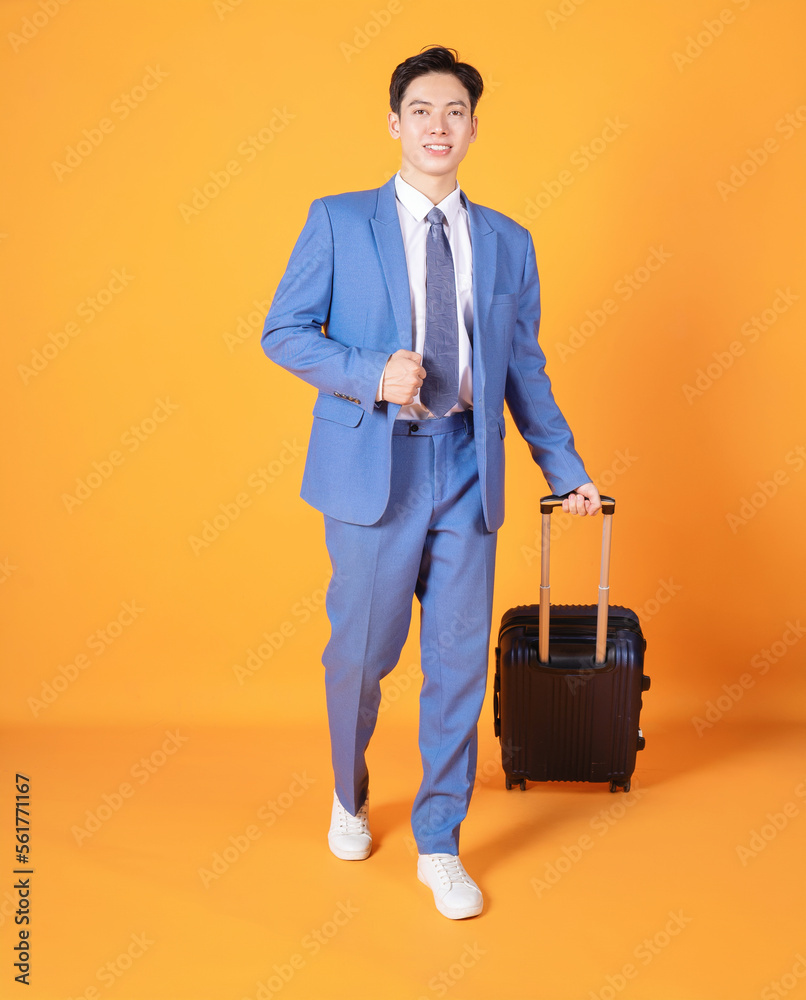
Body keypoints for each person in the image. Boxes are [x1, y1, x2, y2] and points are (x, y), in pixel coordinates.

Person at [261, 45, 601, 920]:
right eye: (422, 111)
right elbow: (284, 332)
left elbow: (525, 367)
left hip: (467, 468)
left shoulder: (509, 242)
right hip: (378, 467)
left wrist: (567, 473)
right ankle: (348, 791)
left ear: (474, 127)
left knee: (455, 666)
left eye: (455, 112)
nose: (438, 126)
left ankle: (440, 842)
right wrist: (375, 371)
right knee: (362, 659)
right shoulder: (337, 221)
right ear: (394, 124)